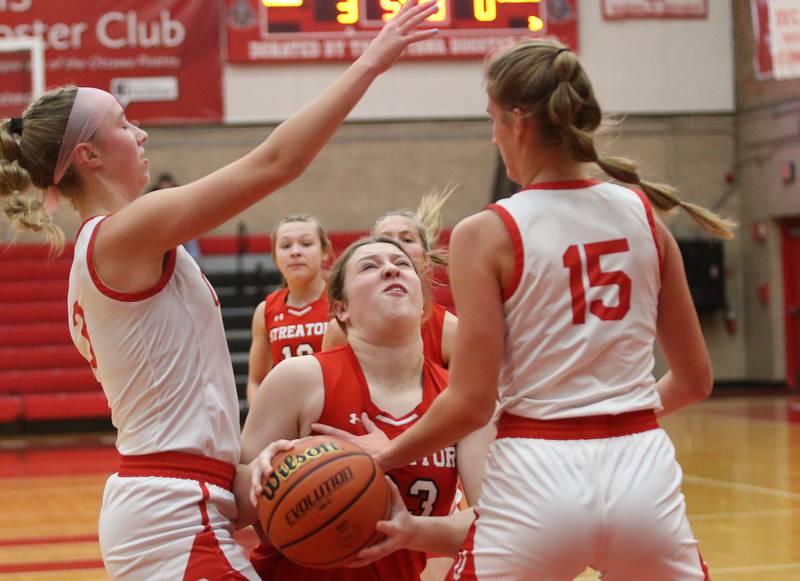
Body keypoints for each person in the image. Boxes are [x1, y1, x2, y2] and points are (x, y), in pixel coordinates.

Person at [0, 3, 439, 578]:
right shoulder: (122, 235)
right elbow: (277, 163)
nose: (142, 132)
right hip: (170, 512)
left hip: (187, 495)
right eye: (126, 124)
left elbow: (181, 420)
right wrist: (369, 63)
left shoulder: (116, 248)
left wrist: (266, 473)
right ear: (89, 156)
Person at [345, 39, 736, 579]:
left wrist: (379, 457)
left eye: (492, 120)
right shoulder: (646, 216)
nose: (492, 135)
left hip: (537, 473)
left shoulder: (487, 233)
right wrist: (614, 419)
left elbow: (471, 404)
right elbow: (694, 380)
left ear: (518, 121)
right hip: (642, 468)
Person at [239, 238, 493, 581]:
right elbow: (233, 506)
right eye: (370, 267)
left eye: (402, 264)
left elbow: (492, 521)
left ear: (424, 308)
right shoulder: (298, 379)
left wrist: (411, 530)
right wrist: (275, 468)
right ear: (341, 309)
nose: (390, 268)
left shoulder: (463, 398)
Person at [323, 188, 457, 368]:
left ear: (426, 261)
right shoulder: (340, 329)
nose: (396, 246)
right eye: (384, 240)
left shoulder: (451, 331)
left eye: (407, 240)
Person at [247, 214, 332, 406]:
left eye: (306, 244)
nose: (295, 252)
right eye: (285, 246)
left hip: (334, 410)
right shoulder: (265, 310)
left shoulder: (341, 302)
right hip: (285, 414)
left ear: (324, 252)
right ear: (275, 257)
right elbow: (256, 380)